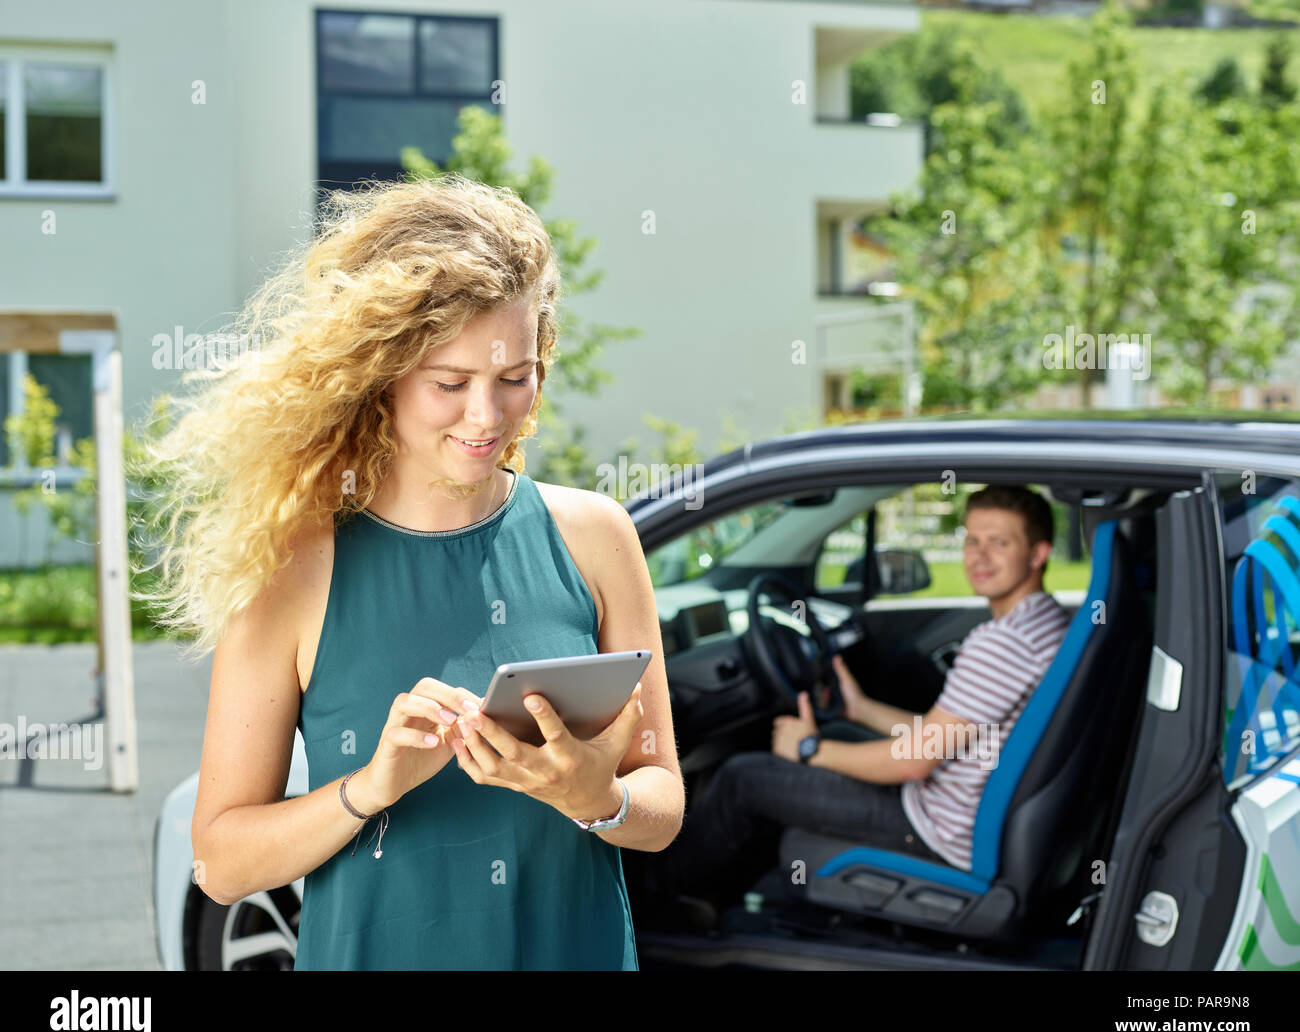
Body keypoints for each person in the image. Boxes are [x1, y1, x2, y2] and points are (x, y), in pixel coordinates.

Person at [133, 174, 684, 969]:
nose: (486, 418)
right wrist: (371, 786)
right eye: (450, 384)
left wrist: (596, 797)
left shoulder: (597, 537)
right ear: (382, 374)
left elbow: (662, 806)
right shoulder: (294, 569)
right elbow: (220, 863)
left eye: (515, 377)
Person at [635, 485, 1071, 929]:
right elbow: (946, 733)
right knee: (837, 737)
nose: (979, 557)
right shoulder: (1046, 623)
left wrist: (809, 751)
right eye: (972, 540)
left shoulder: (1001, 644)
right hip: (962, 806)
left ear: (1038, 553)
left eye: (1000, 543)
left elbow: (917, 762)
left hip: (936, 827)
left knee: (742, 778)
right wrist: (860, 709)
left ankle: (652, 904)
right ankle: (720, 897)